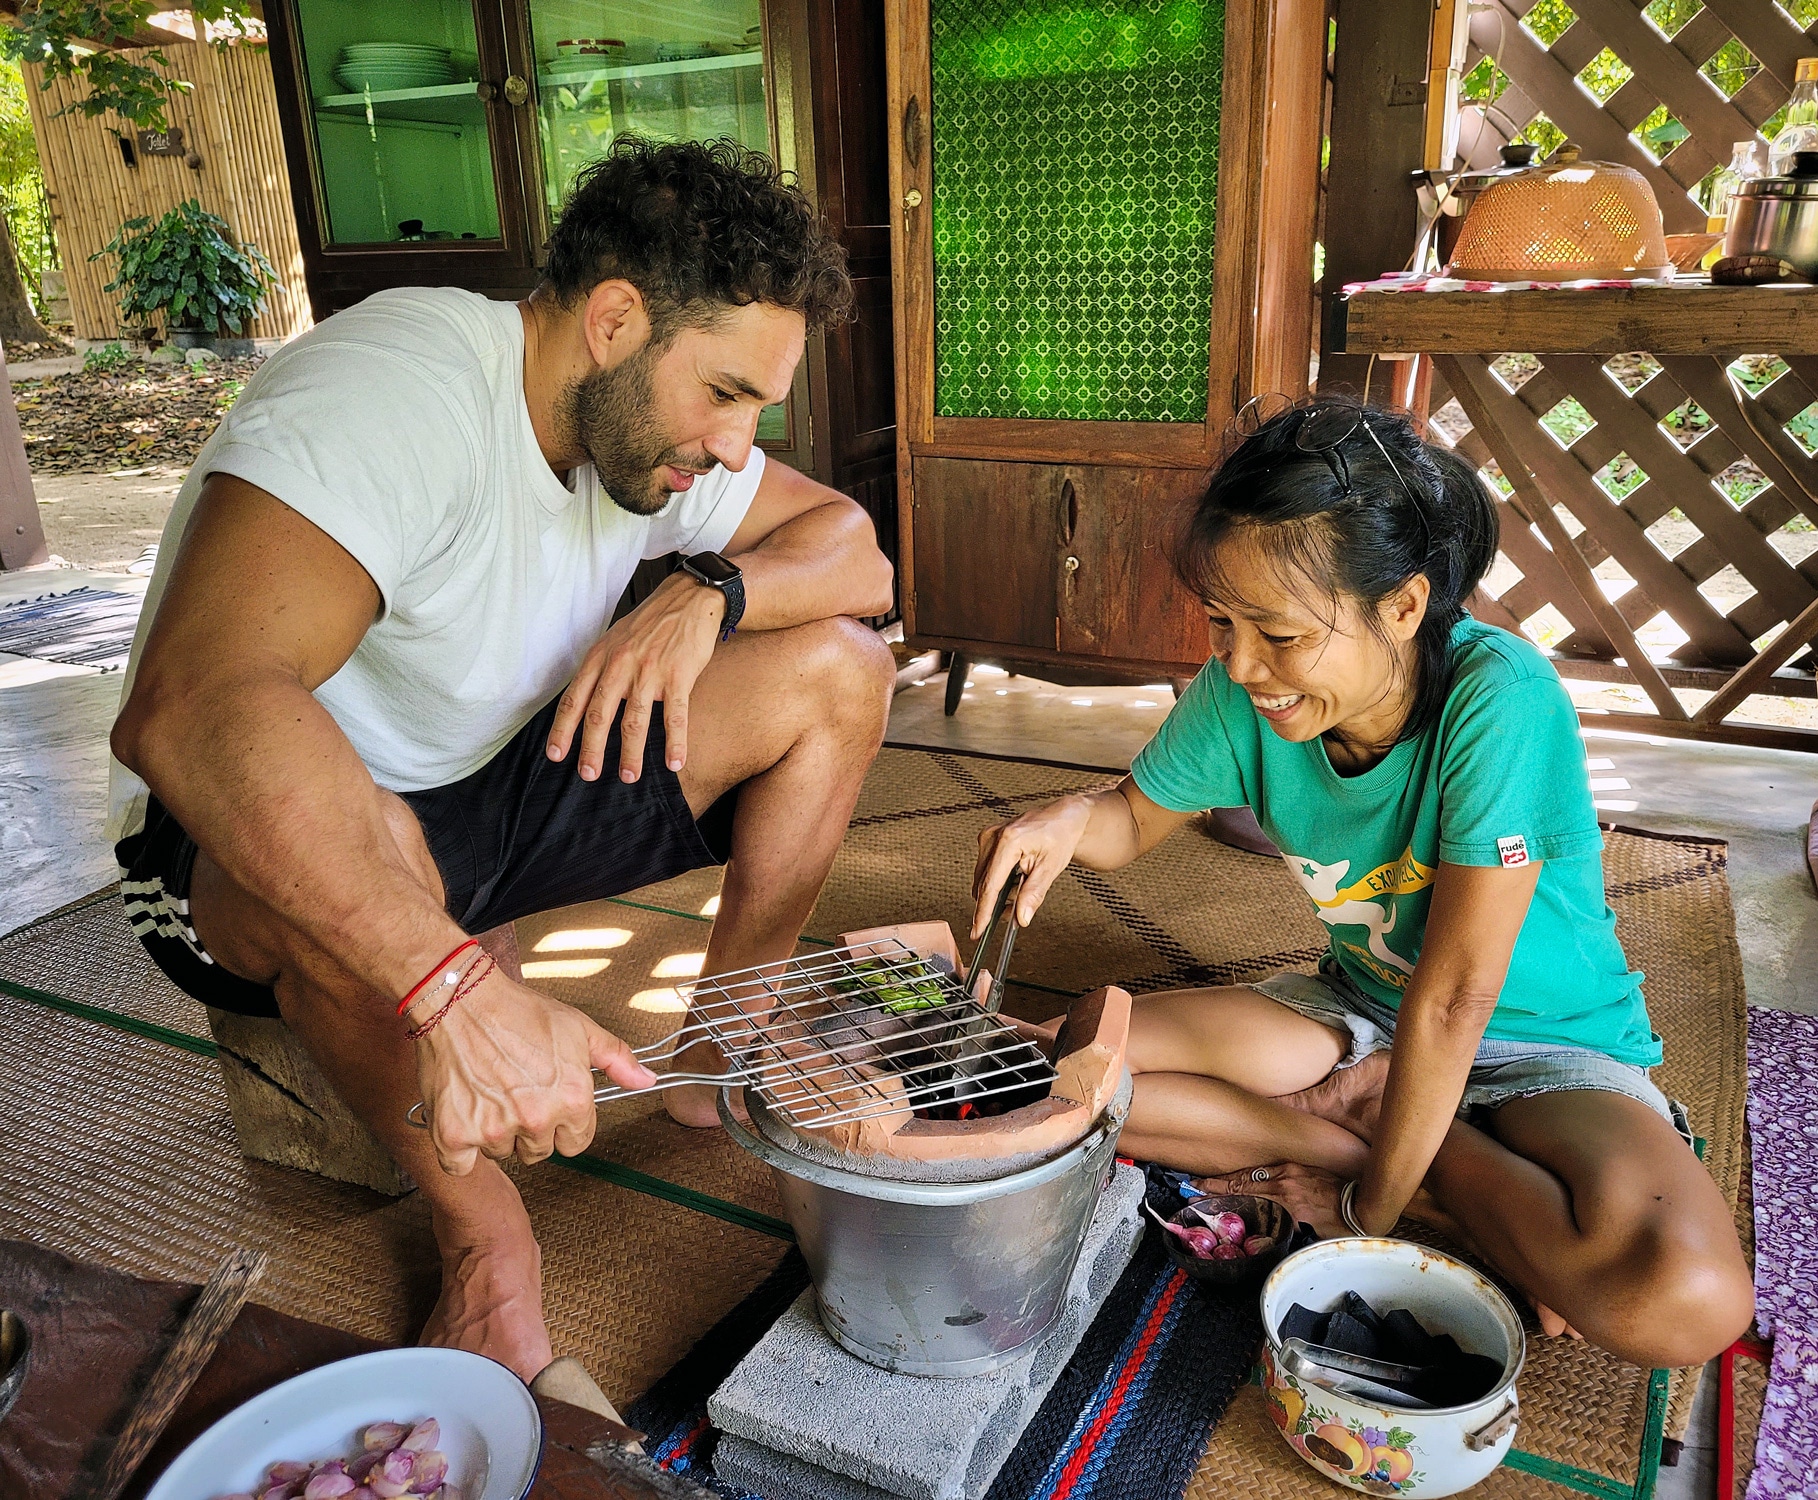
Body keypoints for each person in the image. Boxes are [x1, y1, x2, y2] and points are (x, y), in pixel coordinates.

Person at [107, 138, 897, 1380]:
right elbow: (195, 708)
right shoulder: (400, 387)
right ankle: (485, 1245)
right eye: (728, 394)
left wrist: (711, 592)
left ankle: (727, 1047)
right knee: (355, 825)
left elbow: (857, 554)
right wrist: (454, 992)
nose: (740, 447)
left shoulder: (644, 439)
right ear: (616, 320)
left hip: (497, 784)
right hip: (255, 850)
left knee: (843, 667)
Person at [969, 397, 1752, 1370]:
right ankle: (1417, 1173)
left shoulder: (1498, 699)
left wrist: (1367, 1212)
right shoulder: (1242, 687)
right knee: (1064, 1065)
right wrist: (1066, 819)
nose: (1243, 665)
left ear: (1405, 606)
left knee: (1682, 1300)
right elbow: (1132, 819)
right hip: (1360, 1011)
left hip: (1540, 1044)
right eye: (1221, 622)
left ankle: (1395, 1148)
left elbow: (1460, 998)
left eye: (1281, 635)